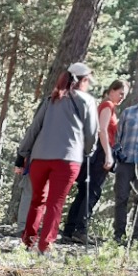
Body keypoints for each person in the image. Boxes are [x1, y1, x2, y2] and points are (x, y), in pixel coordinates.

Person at [15, 63, 98, 254]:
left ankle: (28, 242)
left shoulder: (52, 98)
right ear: (83, 80)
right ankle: (45, 246)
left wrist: (22, 154)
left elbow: (34, 128)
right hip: (68, 159)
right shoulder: (87, 101)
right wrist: (87, 152)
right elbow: (92, 133)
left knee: (37, 200)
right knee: (55, 203)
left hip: (39, 158)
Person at [61, 79, 129, 244]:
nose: (122, 98)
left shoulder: (107, 106)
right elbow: (102, 131)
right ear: (112, 89)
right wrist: (108, 155)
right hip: (100, 153)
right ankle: (80, 230)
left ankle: (70, 230)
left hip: (97, 152)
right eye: (120, 93)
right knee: (92, 191)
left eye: (124, 95)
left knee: (85, 191)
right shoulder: (107, 106)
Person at [113, 85, 138, 245]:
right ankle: (118, 235)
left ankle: (135, 237)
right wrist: (117, 153)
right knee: (121, 198)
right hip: (125, 163)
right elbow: (117, 136)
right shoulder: (129, 112)